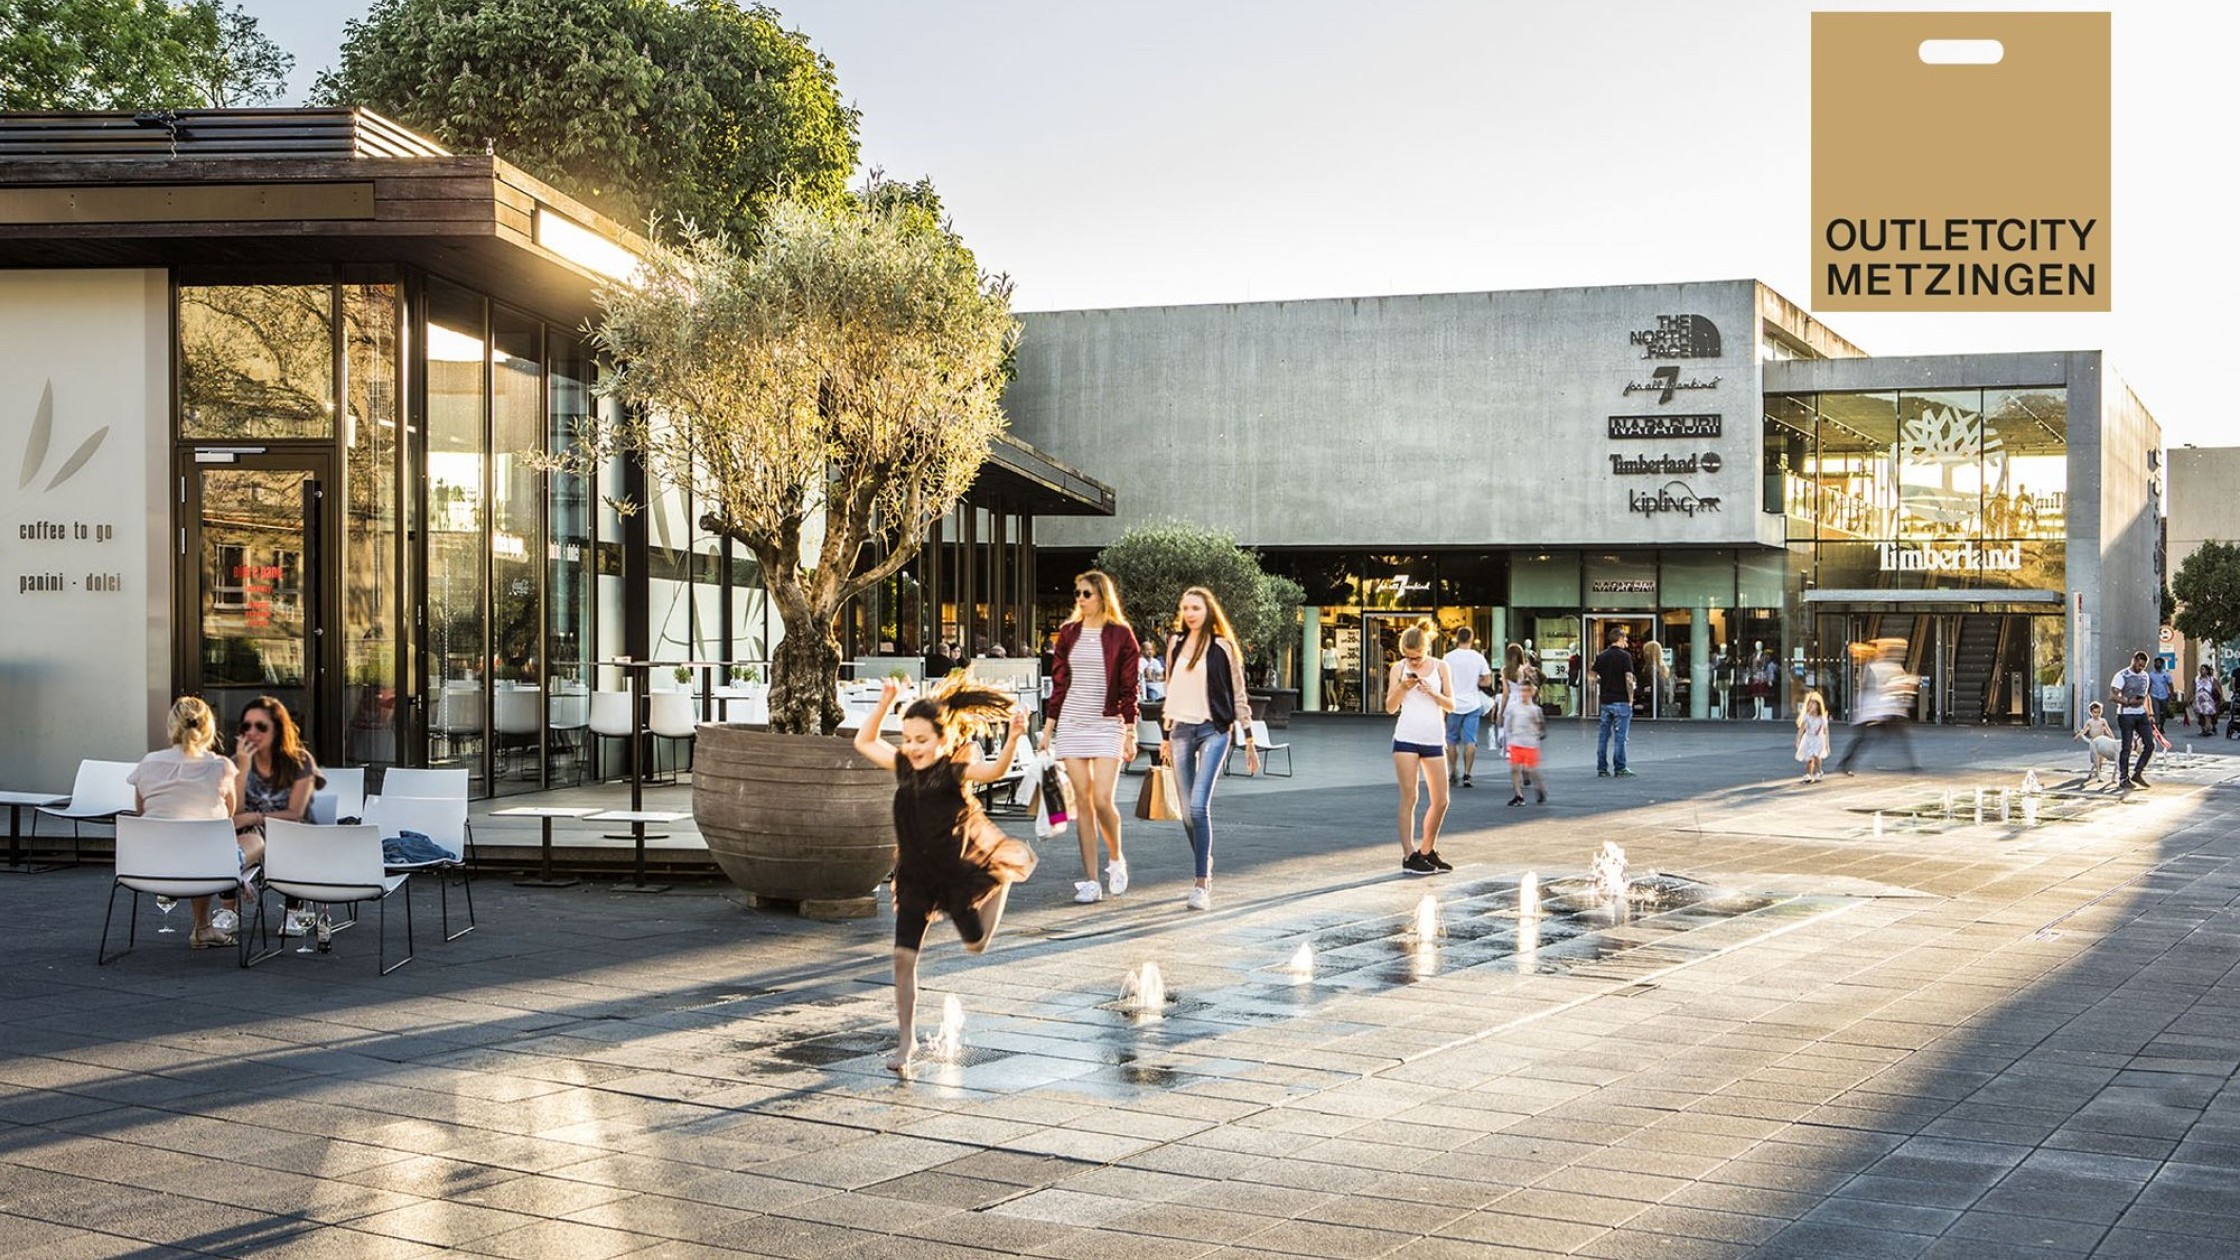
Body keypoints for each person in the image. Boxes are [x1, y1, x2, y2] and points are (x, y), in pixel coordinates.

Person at [851, 677, 1035, 1074]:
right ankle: (906, 1041)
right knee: (902, 959)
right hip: (914, 879)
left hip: (954, 878)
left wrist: (1014, 738)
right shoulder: (903, 766)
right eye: (908, 739)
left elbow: (995, 771)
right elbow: (864, 742)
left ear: (942, 738)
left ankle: (999, 877)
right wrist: (885, 702)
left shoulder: (956, 770)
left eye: (922, 739)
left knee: (976, 944)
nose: (913, 747)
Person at [1040, 570, 1141, 904]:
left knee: (1101, 800)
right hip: (1072, 721)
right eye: (1078, 593)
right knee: (1082, 802)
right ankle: (1091, 880)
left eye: (1086, 594)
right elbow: (1059, 684)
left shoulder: (1121, 635)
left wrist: (1130, 729)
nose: (1080, 599)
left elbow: (1130, 688)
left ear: (1102, 596)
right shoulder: (1068, 634)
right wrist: (1049, 728)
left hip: (1107, 722)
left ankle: (1116, 858)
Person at [1159, 586, 1257, 911]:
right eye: (1185, 608)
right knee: (1186, 812)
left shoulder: (1222, 647)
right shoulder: (1174, 643)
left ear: (1208, 611)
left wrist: (1249, 738)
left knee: (1199, 806)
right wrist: (1164, 734)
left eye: (1195, 608)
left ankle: (1201, 883)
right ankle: (1205, 857)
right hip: (1181, 731)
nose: (1189, 613)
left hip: (1215, 729)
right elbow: (1170, 690)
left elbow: (1238, 693)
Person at [128, 697, 247, 949]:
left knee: (199, 840)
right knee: (250, 840)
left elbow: (141, 813)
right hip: (204, 866)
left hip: (149, 867)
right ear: (209, 728)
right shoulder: (220, 766)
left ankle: (203, 928)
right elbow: (229, 816)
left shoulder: (148, 763)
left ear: (172, 727)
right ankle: (204, 926)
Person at [231, 695, 321, 936]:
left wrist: (256, 817)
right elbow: (235, 813)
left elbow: (294, 813)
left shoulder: (299, 761)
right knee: (225, 832)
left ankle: (294, 911)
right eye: (246, 726)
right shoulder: (236, 762)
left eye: (261, 726)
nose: (252, 732)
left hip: (288, 830)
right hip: (250, 835)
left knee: (288, 835)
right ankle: (228, 910)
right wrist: (243, 769)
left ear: (278, 729)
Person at [1387, 620, 1455, 875]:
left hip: (1434, 737)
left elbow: (1451, 704)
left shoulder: (1440, 667)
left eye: (1416, 658)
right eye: (1408, 657)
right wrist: (1402, 688)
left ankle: (1428, 849)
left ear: (1426, 650)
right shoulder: (1398, 668)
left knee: (1441, 799)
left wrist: (1432, 693)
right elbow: (1390, 707)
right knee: (1410, 796)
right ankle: (1408, 854)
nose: (1412, 663)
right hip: (1406, 737)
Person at [1835, 639, 1919, 774]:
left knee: (1873, 737)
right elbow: (1878, 688)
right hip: (1876, 709)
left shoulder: (1882, 667)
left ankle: (1846, 763)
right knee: (1867, 738)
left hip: (1881, 709)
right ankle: (1845, 763)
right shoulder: (1878, 667)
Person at [1441, 627, 1493, 788]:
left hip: (1453, 704)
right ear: (1471, 639)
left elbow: (1442, 680)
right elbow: (1487, 681)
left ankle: (1452, 771)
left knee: (1451, 740)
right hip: (1472, 703)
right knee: (1470, 740)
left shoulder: (1448, 658)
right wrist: (1475, 682)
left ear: (1457, 639)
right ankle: (1467, 774)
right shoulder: (1478, 658)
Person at [1592, 627, 1638, 778]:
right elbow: (1629, 679)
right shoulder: (1625, 657)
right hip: (1621, 700)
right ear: (1620, 638)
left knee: (1603, 736)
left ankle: (1602, 768)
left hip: (1606, 700)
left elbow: (1591, 675)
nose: (1626, 642)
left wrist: (1601, 682)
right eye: (1625, 639)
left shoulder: (1602, 656)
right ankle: (1620, 767)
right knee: (1620, 736)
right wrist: (1630, 698)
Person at [2108, 650, 2155, 789]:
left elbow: (2145, 696)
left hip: (2141, 713)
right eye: (2139, 665)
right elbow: (2112, 696)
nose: (2140, 668)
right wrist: (2127, 701)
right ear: (2134, 660)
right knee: (2127, 746)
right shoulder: (2122, 675)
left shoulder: (2145, 676)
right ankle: (2123, 777)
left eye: (2143, 666)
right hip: (2126, 714)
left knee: (2149, 745)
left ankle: (2138, 772)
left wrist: (2150, 713)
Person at [1503, 679, 1548, 805]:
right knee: (1514, 768)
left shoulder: (1535, 710)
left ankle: (1540, 787)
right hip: (1516, 741)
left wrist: (1537, 731)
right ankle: (1518, 795)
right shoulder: (1513, 708)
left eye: (1527, 691)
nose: (1524, 694)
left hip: (1530, 743)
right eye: (1522, 690)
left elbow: (1541, 726)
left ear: (1531, 692)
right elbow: (1510, 724)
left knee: (1530, 769)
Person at [1795, 689, 1831, 784]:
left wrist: (1827, 745)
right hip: (1808, 738)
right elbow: (1801, 729)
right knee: (1809, 758)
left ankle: (1819, 771)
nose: (1812, 706)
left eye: (1814, 704)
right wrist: (1798, 740)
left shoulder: (1821, 718)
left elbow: (1826, 731)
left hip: (1818, 739)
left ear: (1818, 706)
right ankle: (1809, 774)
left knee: (1816, 756)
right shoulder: (1807, 717)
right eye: (1810, 703)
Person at [2075, 702, 2117, 784]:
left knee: (2100, 761)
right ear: (2091, 712)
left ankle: (2095, 773)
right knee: (2095, 760)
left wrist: (2113, 738)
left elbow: (2107, 730)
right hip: (2093, 742)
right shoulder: (2089, 722)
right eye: (2095, 712)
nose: (2097, 714)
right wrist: (2078, 736)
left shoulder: (2103, 721)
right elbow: (2084, 730)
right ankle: (2098, 775)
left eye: (2099, 712)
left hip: (2102, 742)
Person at [2192, 663, 2225, 737]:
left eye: (2203, 669)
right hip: (2198, 698)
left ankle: (2208, 729)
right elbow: (2193, 689)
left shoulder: (2211, 679)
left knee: (2207, 714)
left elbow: (2217, 688)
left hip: (2207, 698)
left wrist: (2221, 697)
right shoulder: (2196, 679)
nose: (2201, 671)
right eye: (2201, 669)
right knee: (2200, 715)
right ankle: (2203, 728)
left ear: (2207, 671)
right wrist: (2191, 697)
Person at [2148, 658, 2175, 725]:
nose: (2157, 664)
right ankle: (2156, 725)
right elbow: (2149, 685)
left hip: (2164, 696)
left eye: (2158, 663)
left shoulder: (2166, 675)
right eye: (2156, 663)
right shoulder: (2151, 675)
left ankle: (2162, 725)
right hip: (2154, 695)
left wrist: (2171, 694)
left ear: (2161, 664)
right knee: (2156, 711)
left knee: (2163, 712)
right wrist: (2147, 694)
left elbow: (2170, 685)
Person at [1139, 639, 1167, 703]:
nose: (1150, 651)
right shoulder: (1140, 661)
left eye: (1151, 649)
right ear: (1142, 651)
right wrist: (1151, 677)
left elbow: (1161, 676)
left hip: (1158, 688)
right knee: (1153, 697)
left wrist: (1152, 677)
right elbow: (1141, 677)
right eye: (1147, 649)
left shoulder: (1155, 661)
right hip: (1146, 688)